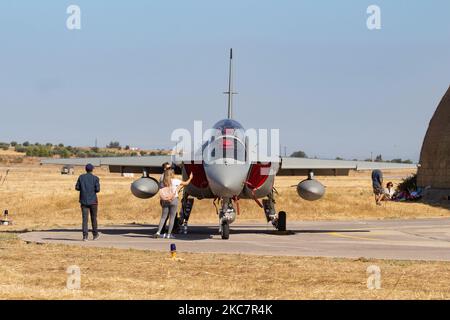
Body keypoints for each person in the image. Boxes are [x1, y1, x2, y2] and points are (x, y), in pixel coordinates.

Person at [154, 169, 193, 239]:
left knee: (163, 217)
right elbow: (186, 183)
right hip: (174, 200)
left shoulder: (162, 182)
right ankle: (169, 234)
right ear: (172, 174)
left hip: (165, 200)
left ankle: (158, 232)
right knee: (172, 218)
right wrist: (190, 178)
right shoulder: (175, 181)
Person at [75, 163, 100, 241]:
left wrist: (83, 189)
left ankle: (85, 236)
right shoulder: (95, 178)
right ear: (92, 169)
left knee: (85, 219)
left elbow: (77, 187)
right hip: (93, 201)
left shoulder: (81, 177)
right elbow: (98, 189)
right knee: (94, 218)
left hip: (84, 201)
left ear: (85, 169)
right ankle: (95, 235)